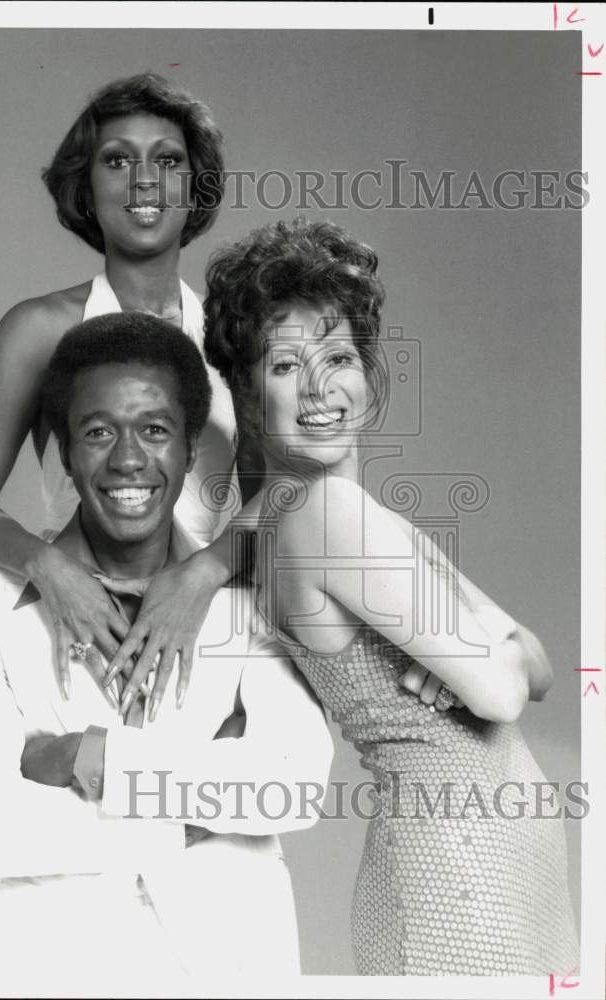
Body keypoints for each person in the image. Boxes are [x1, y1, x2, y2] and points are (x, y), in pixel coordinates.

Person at [201, 217, 580, 976]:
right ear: (246, 392)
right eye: (284, 367)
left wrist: (492, 656)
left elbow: (536, 662)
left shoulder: (347, 513)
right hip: (458, 879)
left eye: (338, 357)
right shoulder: (321, 513)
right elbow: (506, 692)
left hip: (496, 867)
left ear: (368, 370)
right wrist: (488, 654)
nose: (320, 389)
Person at [0, 313, 334, 988]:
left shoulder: (248, 599)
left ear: (186, 450)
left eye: (155, 430)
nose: (127, 460)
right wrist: (202, 801)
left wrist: (89, 758)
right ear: (64, 450)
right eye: (98, 432)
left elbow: (293, 790)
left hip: (233, 970)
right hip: (54, 973)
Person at [0, 71, 242, 706]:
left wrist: (201, 576)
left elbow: (285, 510)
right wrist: (49, 570)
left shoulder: (235, 333)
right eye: (117, 160)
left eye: (168, 161)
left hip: (204, 620)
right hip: (80, 614)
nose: (144, 180)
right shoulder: (38, 330)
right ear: (87, 185)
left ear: (195, 186)